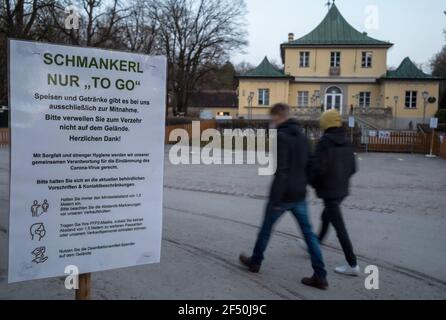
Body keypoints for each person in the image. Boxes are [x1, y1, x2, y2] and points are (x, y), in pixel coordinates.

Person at [239, 103, 328, 290]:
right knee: (309, 235)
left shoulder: (281, 137)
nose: (272, 122)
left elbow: (281, 171)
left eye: (273, 119)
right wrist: (306, 184)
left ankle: (255, 261)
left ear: (279, 117)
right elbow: (311, 164)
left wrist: (277, 200)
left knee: (266, 229)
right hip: (299, 194)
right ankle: (320, 275)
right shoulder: (303, 136)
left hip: (283, 195)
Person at [308, 109, 360, 276]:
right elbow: (353, 167)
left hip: (330, 191)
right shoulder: (346, 140)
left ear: (325, 123)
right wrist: (341, 179)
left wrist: (314, 183)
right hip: (341, 190)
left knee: (339, 227)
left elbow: (318, 168)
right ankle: (315, 243)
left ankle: (352, 263)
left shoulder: (325, 142)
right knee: (326, 217)